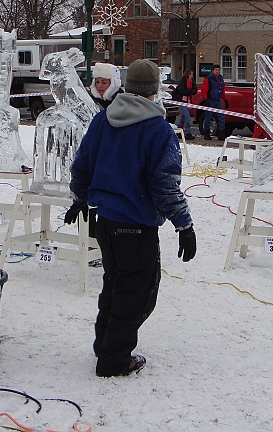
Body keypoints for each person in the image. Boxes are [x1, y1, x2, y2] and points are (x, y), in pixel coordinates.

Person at [67, 59, 196, 378]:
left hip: (106, 225)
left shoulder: (102, 121)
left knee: (114, 286)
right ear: (155, 91)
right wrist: (184, 223)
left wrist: (80, 199)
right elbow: (165, 183)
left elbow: (81, 166)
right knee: (136, 293)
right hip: (136, 228)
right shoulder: (158, 131)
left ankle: (106, 345)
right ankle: (114, 358)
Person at [200, 65, 227, 141]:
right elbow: (204, 90)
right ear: (212, 71)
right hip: (210, 99)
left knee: (221, 117)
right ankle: (206, 132)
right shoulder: (208, 79)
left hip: (217, 100)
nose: (217, 71)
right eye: (216, 70)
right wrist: (206, 99)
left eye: (218, 70)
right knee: (208, 117)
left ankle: (221, 133)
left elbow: (222, 91)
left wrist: (225, 99)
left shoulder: (221, 79)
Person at [173, 68, 197, 140]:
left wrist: (189, 91)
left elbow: (195, 90)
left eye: (192, 74)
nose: (191, 76)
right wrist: (189, 91)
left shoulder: (192, 82)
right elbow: (182, 91)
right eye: (190, 74)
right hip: (182, 100)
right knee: (187, 116)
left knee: (183, 117)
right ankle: (188, 133)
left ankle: (179, 131)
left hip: (188, 101)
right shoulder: (182, 81)